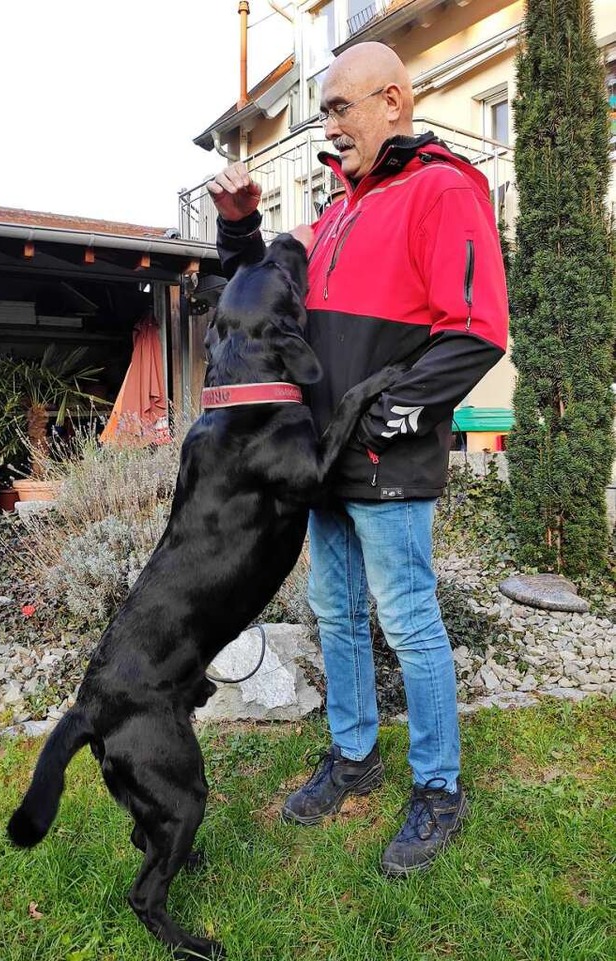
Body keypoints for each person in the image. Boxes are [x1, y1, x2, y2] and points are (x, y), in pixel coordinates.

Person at [207, 41, 508, 876]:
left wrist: (383, 417)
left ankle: (438, 787)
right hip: (322, 459)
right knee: (334, 615)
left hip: (384, 456)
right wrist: (240, 227)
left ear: (394, 102)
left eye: (339, 109)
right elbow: (260, 297)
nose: (326, 129)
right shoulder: (340, 210)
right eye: (323, 113)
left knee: (408, 620)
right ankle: (353, 755)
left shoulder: (443, 189)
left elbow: (478, 330)